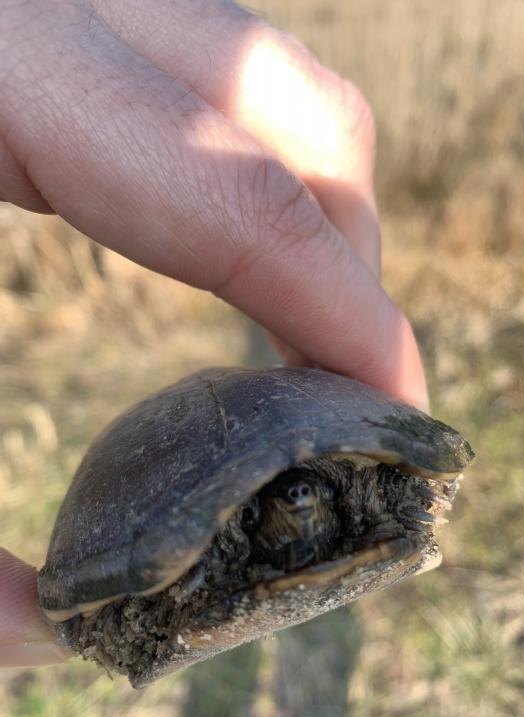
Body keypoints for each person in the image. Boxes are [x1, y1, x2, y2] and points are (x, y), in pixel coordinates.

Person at [0, 0, 428, 667]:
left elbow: (411, 473)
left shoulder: (364, 505)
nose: (303, 503)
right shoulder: (209, 560)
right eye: (289, 502)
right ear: (248, 521)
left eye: (303, 495)